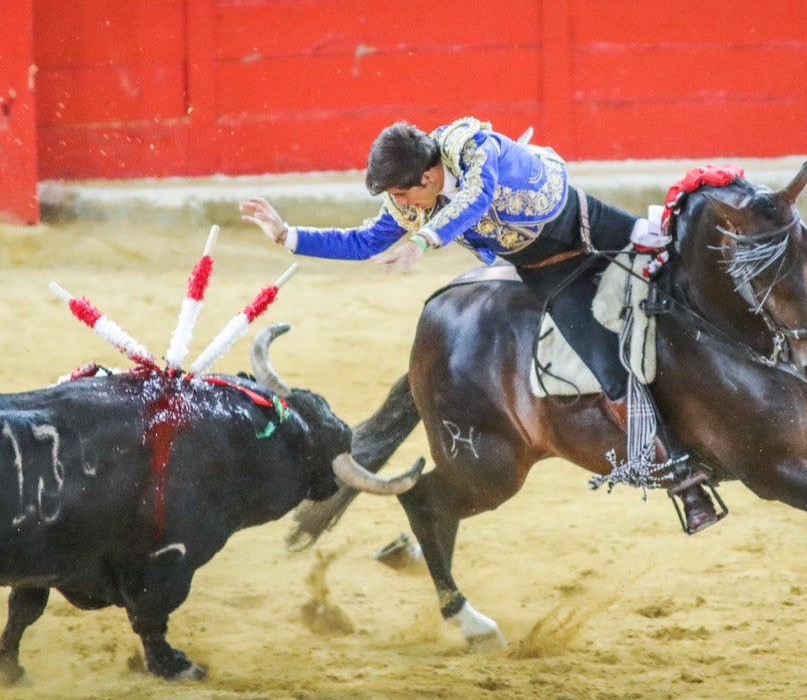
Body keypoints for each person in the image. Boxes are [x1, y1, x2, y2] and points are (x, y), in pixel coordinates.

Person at [239, 118, 723, 534]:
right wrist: (288, 235)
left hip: (595, 227)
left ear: (429, 175)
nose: (400, 203)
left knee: (694, 273)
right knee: (609, 368)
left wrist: (423, 243)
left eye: (403, 191)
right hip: (549, 273)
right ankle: (683, 480)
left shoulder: (475, 148)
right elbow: (365, 240)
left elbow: (476, 198)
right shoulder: (414, 199)